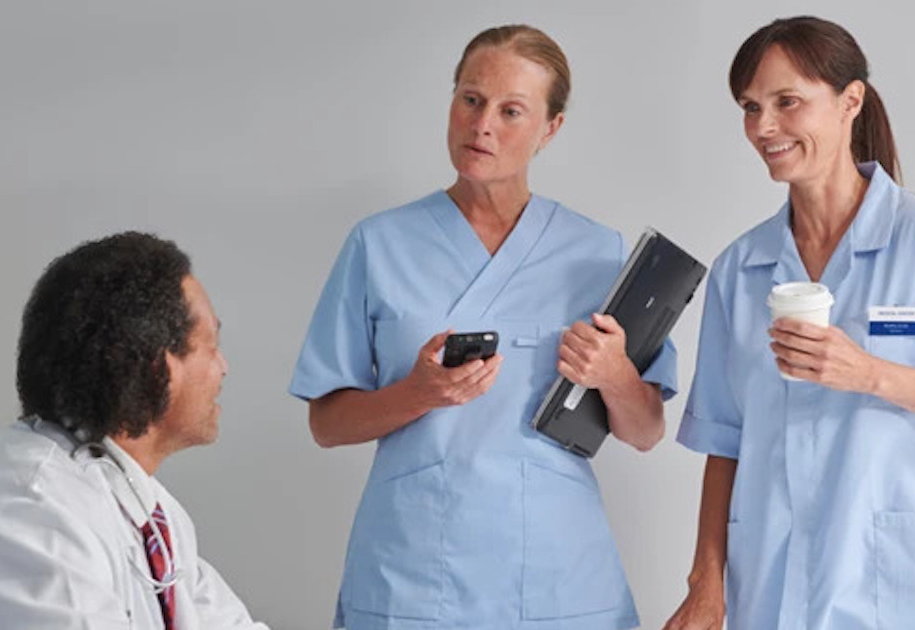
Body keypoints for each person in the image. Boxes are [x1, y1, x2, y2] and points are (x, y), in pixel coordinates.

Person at [290, 24, 678, 630]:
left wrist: (616, 375)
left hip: (557, 575)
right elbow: (327, 424)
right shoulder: (378, 244)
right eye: (470, 99)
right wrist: (416, 395)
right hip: (414, 572)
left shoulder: (597, 253)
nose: (482, 125)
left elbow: (647, 430)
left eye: (511, 111)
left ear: (551, 128)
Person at [664, 16, 915, 630]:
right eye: (751, 107)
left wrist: (867, 373)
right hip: (774, 581)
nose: (764, 127)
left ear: (849, 101)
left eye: (787, 102)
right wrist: (706, 583)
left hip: (903, 585)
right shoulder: (741, 268)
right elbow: (725, 444)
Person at [0, 232, 268, 629]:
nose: (223, 367)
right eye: (211, 345)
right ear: (159, 367)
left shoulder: (152, 513)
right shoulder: (31, 515)